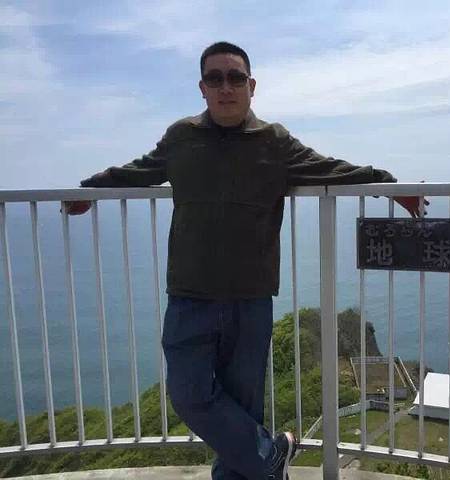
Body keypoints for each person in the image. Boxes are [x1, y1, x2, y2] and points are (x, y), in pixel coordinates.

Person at [66, 41, 422, 480]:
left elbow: (331, 169)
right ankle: (273, 455)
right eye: (215, 78)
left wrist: (389, 186)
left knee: (242, 406)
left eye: (235, 78)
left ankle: (260, 464)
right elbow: (139, 170)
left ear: (251, 86)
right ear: (202, 87)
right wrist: (90, 189)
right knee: (189, 394)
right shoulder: (182, 138)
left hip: (250, 299)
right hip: (190, 295)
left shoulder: (274, 141)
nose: (226, 87)